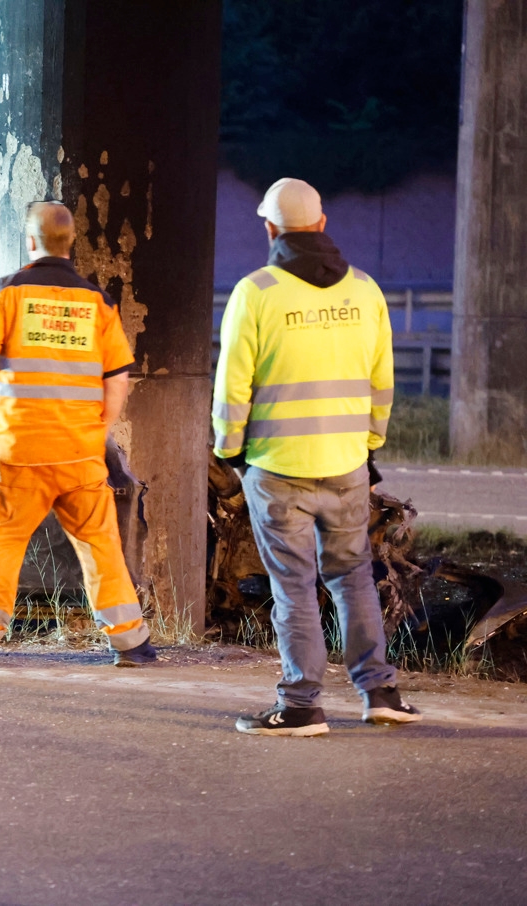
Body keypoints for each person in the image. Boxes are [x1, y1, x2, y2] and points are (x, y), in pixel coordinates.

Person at [215, 177, 420, 736]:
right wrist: (368, 445)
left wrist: (231, 451)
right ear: (323, 224)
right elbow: (382, 383)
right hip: (346, 465)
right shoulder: (366, 290)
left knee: (293, 587)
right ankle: (380, 693)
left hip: (277, 466)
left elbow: (232, 387)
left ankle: (302, 706)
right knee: (354, 578)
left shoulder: (256, 292)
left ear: (270, 229)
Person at [0, 201, 156, 669]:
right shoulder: (98, 303)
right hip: (79, 452)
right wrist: (96, 430)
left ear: (30, 241)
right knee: (99, 543)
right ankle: (130, 642)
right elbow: (117, 381)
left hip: (17, 450)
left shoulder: (6, 292)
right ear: (70, 242)